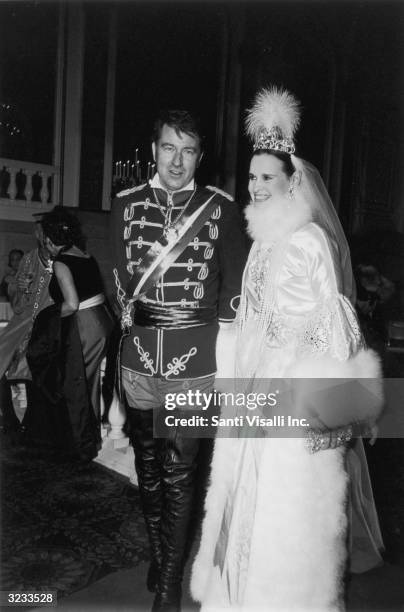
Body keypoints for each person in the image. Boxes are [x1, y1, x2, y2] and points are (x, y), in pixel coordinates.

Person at [191, 87, 384, 611]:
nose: (254, 187)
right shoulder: (266, 242)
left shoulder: (306, 241)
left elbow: (333, 331)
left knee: (284, 516)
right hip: (255, 395)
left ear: (292, 180)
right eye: (251, 177)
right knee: (244, 504)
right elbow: (253, 320)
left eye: (267, 177)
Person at [111, 109, 247, 611]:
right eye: (169, 148)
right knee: (147, 467)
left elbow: (232, 293)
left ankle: (169, 583)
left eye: (187, 150)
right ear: (154, 150)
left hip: (195, 360)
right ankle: (161, 551)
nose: (176, 160)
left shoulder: (220, 210)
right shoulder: (125, 205)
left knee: (181, 470)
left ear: (199, 157)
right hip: (140, 356)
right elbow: (121, 283)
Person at [25, 206, 114, 462]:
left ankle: (80, 443)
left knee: (75, 384)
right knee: (89, 382)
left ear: (51, 241)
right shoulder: (85, 254)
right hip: (102, 322)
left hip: (85, 325)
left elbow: (72, 304)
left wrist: (46, 317)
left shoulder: (62, 262)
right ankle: (90, 438)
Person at [0, 220, 53, 437]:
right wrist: (20, 289)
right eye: (38, 231)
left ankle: (33, 420)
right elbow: (18, 302)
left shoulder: (62, 258)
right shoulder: (29, 258)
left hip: (48, 325)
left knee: (37, 371)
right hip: (22, 323)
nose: (40, 235)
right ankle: (10, 419)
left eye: (44, 231)